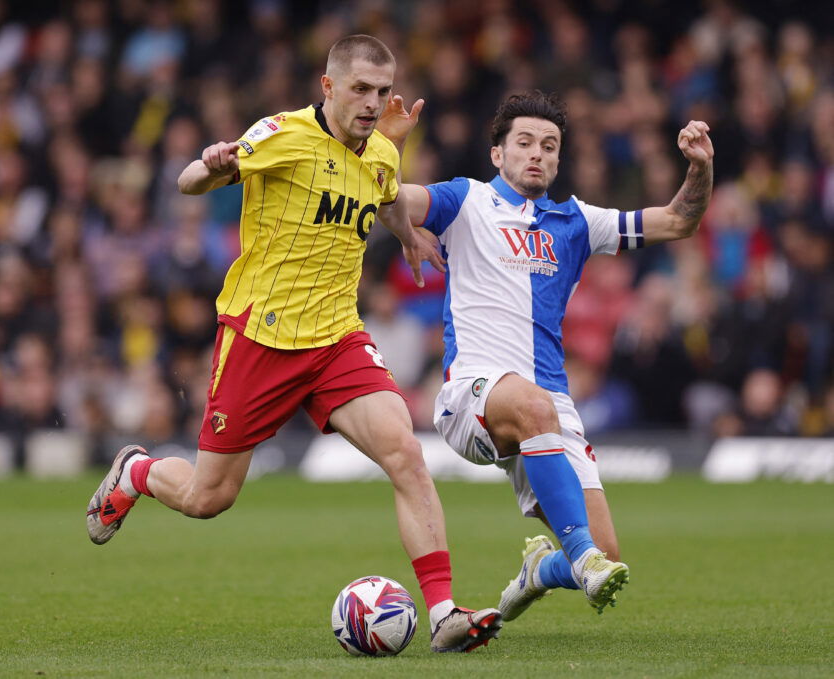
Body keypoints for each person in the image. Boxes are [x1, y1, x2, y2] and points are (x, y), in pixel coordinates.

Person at [85, 35, 503, 653]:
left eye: (382, 90)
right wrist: (212, 163)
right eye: (360, 88)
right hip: (262, 336)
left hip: (337, 337)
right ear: (328, 86)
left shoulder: (382, 149)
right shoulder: (281, 134)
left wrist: (409, 233)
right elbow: (186, 182)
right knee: (209, 498)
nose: (373, 102)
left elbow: (382, 193)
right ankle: (138, 471)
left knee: (406, 455)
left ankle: (442, 612)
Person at [383, 91, 713, 620]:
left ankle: (544, 569)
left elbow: (679, 221)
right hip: (472, 393)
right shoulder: (465, 201)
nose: (537, 153)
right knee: (539, 414)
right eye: (525, 142)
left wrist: (699, 168)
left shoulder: (578, 221)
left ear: (560, 159)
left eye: (550, 145)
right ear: (498, 154)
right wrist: (389, 147)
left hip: (548, 408)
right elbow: (388, 198)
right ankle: (580, 557)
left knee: (608, 552)